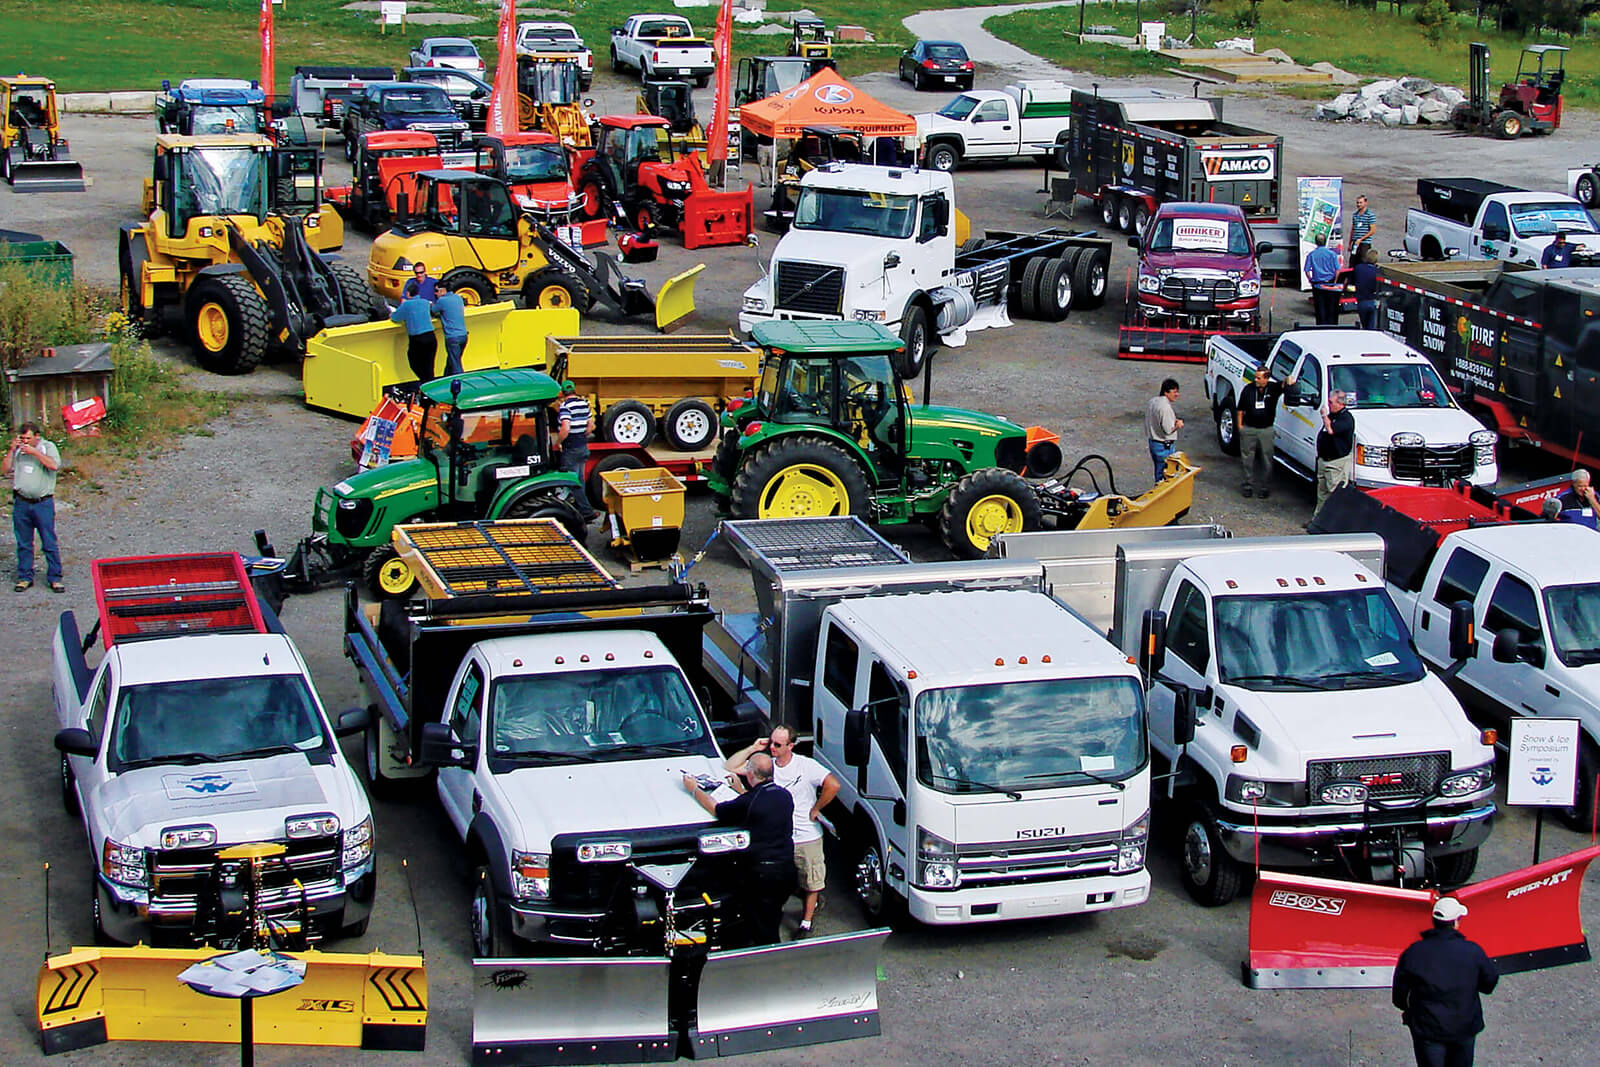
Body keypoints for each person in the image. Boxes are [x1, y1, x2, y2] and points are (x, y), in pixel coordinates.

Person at [725, 726, 841, 937]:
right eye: (771, 742)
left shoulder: (805, 766)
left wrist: (816, 809)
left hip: (805, 836)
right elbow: (730, 766)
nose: (772, 747)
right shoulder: (767, 766)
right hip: (781, 837)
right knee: (787, 879)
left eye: (778, 744)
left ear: (791, 746)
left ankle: (806, 922)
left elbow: (833, 785)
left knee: (812, 880)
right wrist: (753, 748)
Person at [683, 754, 795, 946]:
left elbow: (716, 809)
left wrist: (694, 789)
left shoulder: (749, 802)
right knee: (772, 915)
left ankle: (768, 956)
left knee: (761, 926)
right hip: (786, 870)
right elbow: (759, 804)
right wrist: (740, 790)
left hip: (762, 875)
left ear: (750, 774)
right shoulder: (784, 795)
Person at [1392, 896, 1497, 1067]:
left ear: (1434, 921)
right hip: (1464, 1027)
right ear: (1456, 922)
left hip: (1427, 1028)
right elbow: (1489, 984)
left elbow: (1399, 996)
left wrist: (1411, 1011)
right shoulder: (1473, 951)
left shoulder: (1414, 952)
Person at [6, 422, 62, 593]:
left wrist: (35, 453)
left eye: (28, 438)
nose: (25, 441)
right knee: (23, 542)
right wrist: (11, 450)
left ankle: (55, 577)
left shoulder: (47, 447)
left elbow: (54, 466)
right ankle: (24, 576)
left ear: (36, 436)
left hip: (42, 503)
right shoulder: (19, 452)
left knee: (48, 541)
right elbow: (5, 469)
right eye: (22, 438)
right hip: (22, 502)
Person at [1236, 366, 1293, 499]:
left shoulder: (1273, 388)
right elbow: (1240, 409)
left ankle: (1264, 487)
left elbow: (1285, 383)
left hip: (1266, 429)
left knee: (1267, 459)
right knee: (1247, 458)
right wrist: (1240, 427)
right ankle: (1248, 485)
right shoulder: (1248, 389)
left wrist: (1289, 379)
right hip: (1249, 428)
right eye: (1255, 377)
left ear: (1266, 379)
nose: (1255, 380)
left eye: (1258, 378)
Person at [552, 380, 597, 522]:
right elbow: (591, 425)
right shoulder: (583, 403)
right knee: (580, 480)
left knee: (572, 481)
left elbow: (565, 427)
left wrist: (558, 442)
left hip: (571, 447)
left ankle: (585, 511)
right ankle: (580, 508)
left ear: (562, 393)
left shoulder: (565, 406)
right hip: (582, 446)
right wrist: (583, 436)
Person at [1312, 389, 1355, 522]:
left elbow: (1331, 430)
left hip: (1336, 463)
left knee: (1336, 493)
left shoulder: (1346, 419)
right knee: (1322, 493)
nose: (1329, 405)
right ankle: (1318, 520)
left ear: (1340, 403)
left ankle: (1337, 522)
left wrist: (1324, 416)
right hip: (1323, 460)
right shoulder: (1332, 416)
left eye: (1331, 402)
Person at [390, 292, 438, 387]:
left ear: (408, 294)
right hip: (431, 337)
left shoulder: (407, 305)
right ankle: (428, 385)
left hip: (418, 339)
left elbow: (395, 318)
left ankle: (425, 384)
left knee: (414, 362)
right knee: (429, 366)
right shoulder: (425, 302)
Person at [1145, 379, 1184, 483]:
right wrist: (1177, 425)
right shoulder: (1165, 408)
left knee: (1158, 472)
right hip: (1164, 446)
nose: (1177, 394)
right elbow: (1168, 430)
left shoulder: (1153, 401)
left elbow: (1156, 419)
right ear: (1166, 392)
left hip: (1153, 442)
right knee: (1166, 475)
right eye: (1174, 392)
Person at [1304, 231, 1343, 326]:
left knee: (1320, 308)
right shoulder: (1332, 254)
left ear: (1316, 242)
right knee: (1332, 307)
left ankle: (1321, 326)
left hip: (1318, 284)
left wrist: (1310, 280)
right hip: (1331, 283)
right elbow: (1338, 270)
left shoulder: (1312, 255)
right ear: (1325, 242)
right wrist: (1335, 281)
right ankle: (1332, 326)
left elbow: (1307, 270)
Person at [432, 283, 469, 377]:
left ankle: (461, 381)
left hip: (452, 337)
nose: (435, 293)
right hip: (463, 335)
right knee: (452, 361)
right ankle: (445, 378)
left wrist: (432, 304)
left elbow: (433, 311)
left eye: (436, 291)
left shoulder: (442, 301)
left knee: (456, 365)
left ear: (443, 290)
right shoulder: (458, 298)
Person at [1353, 245, 1381, 330]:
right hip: (1373, 301)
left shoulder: (1358, 268)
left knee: (1365, 326)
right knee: (1372, 327)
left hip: (1361, 302)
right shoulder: (1377, 272)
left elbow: (1351, 281)